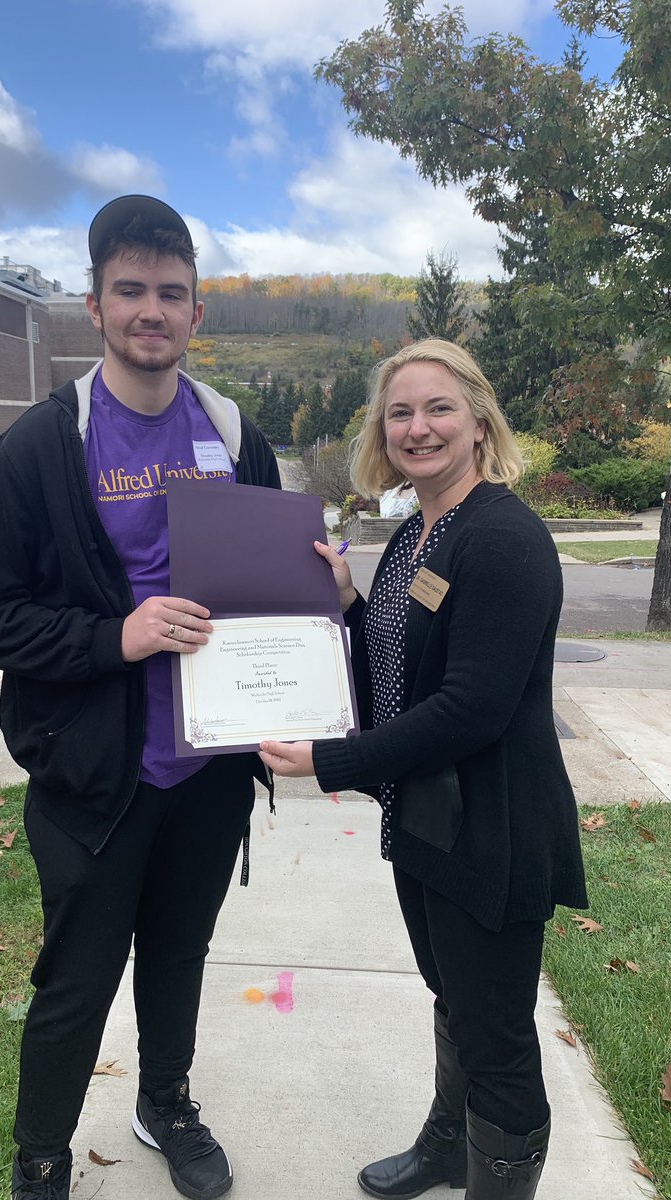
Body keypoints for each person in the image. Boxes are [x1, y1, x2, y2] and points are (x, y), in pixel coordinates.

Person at [0, 195, 280, 1200]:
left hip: (209, 766)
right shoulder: (45, 445)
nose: (150, 311)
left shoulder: (232, 434)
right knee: (77, 978)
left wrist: (322, 591)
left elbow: (269, 581)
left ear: (196, 311)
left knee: (179, 954)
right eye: (130, 290)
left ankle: (164, 1103)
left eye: (171, 293)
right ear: (93, 305)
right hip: (93, 772)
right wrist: (111, 638)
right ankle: (41, 1157)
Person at [260, 340, 587, 1200]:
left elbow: (469, 711)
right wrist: (347, 604)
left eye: (439, 407)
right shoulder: (418, 532)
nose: (418, 428)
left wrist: (329, 761)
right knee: (454, 996)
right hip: (429, 821)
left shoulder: (505, 538)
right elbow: (402, 672)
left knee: (498, 1035)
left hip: (494, 828)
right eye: (399, 412)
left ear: (479, 421)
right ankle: (448, 1148)